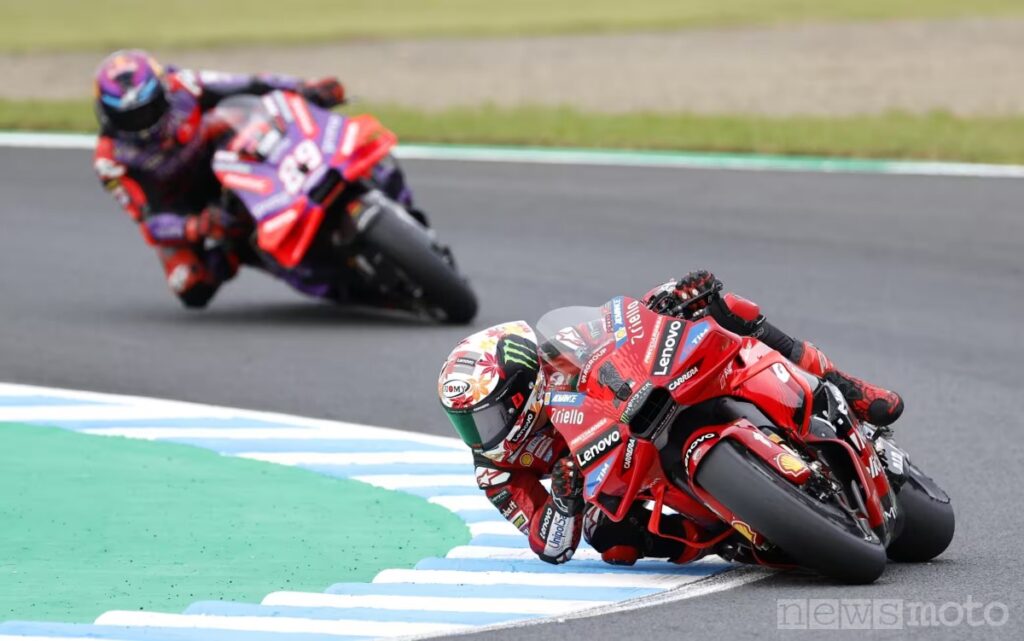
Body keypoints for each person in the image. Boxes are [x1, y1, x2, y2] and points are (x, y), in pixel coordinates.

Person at [436, 271, 903, 566]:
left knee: (723, 310)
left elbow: (622, 324)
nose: (479, 434)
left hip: (648, 401)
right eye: (467, 423)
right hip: (618, 476)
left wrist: (667, 298)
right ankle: (725, 538)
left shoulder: (559, 353)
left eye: (488, 415)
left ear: (523, 391)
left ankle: (847, 387)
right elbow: (549, 546)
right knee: (610, 540)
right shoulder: (496, 471)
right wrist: (563, 500)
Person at [92, 49, 418, 308]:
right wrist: (195, 226)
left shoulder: (184, 84)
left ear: (163, 92)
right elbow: (148, 221)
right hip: (190, 205)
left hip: (231, 152)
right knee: (192, 287)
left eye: (148, 110)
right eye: (128, 116)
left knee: (302, 123)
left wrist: (305, 87)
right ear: (108, 115)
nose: (143, 124)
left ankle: (387, 195)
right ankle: (257, 255)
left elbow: (250, 83)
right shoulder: (111, 160)